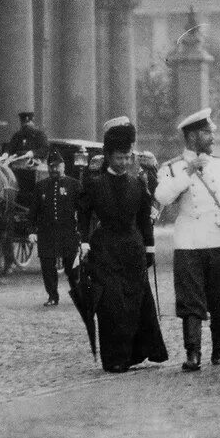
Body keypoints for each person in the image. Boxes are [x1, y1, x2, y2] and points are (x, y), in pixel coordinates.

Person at [153, 108, 220, 371]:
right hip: (188, 242)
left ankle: (219, 348)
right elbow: (163, 197)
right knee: (190, 300)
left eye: (211, 132)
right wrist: (188, 172)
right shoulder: (172, 167)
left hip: (218, 239)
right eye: (206, 132)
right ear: (191, 136)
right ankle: (193, 353)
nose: (212, 137)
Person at [77, 117, 168, 373]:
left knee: (135, 301)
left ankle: (135, 354)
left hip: (133, 249)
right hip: (104, 249)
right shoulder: (94, 185)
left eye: (128, 157)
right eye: (119, 158)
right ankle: (115, 358)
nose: (125, 162)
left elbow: (144, 219)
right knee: (111, 305)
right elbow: (83, 213)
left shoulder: (138, 185)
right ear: (108, 156)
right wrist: (84, 243)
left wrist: (149, 248)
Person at [32, 150, 81, 306]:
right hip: (46, 233)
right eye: (51, 166)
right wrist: (32, 231)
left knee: (71, 268)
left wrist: (82, 232)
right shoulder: (41, 187)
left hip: (68, 233)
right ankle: (53, 296)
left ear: (63, 166)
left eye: (57, 166)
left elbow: (83, 211)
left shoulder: (74, 185)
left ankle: (78, 293)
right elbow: (34, 211)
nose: (54, 170)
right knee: (47, 267)